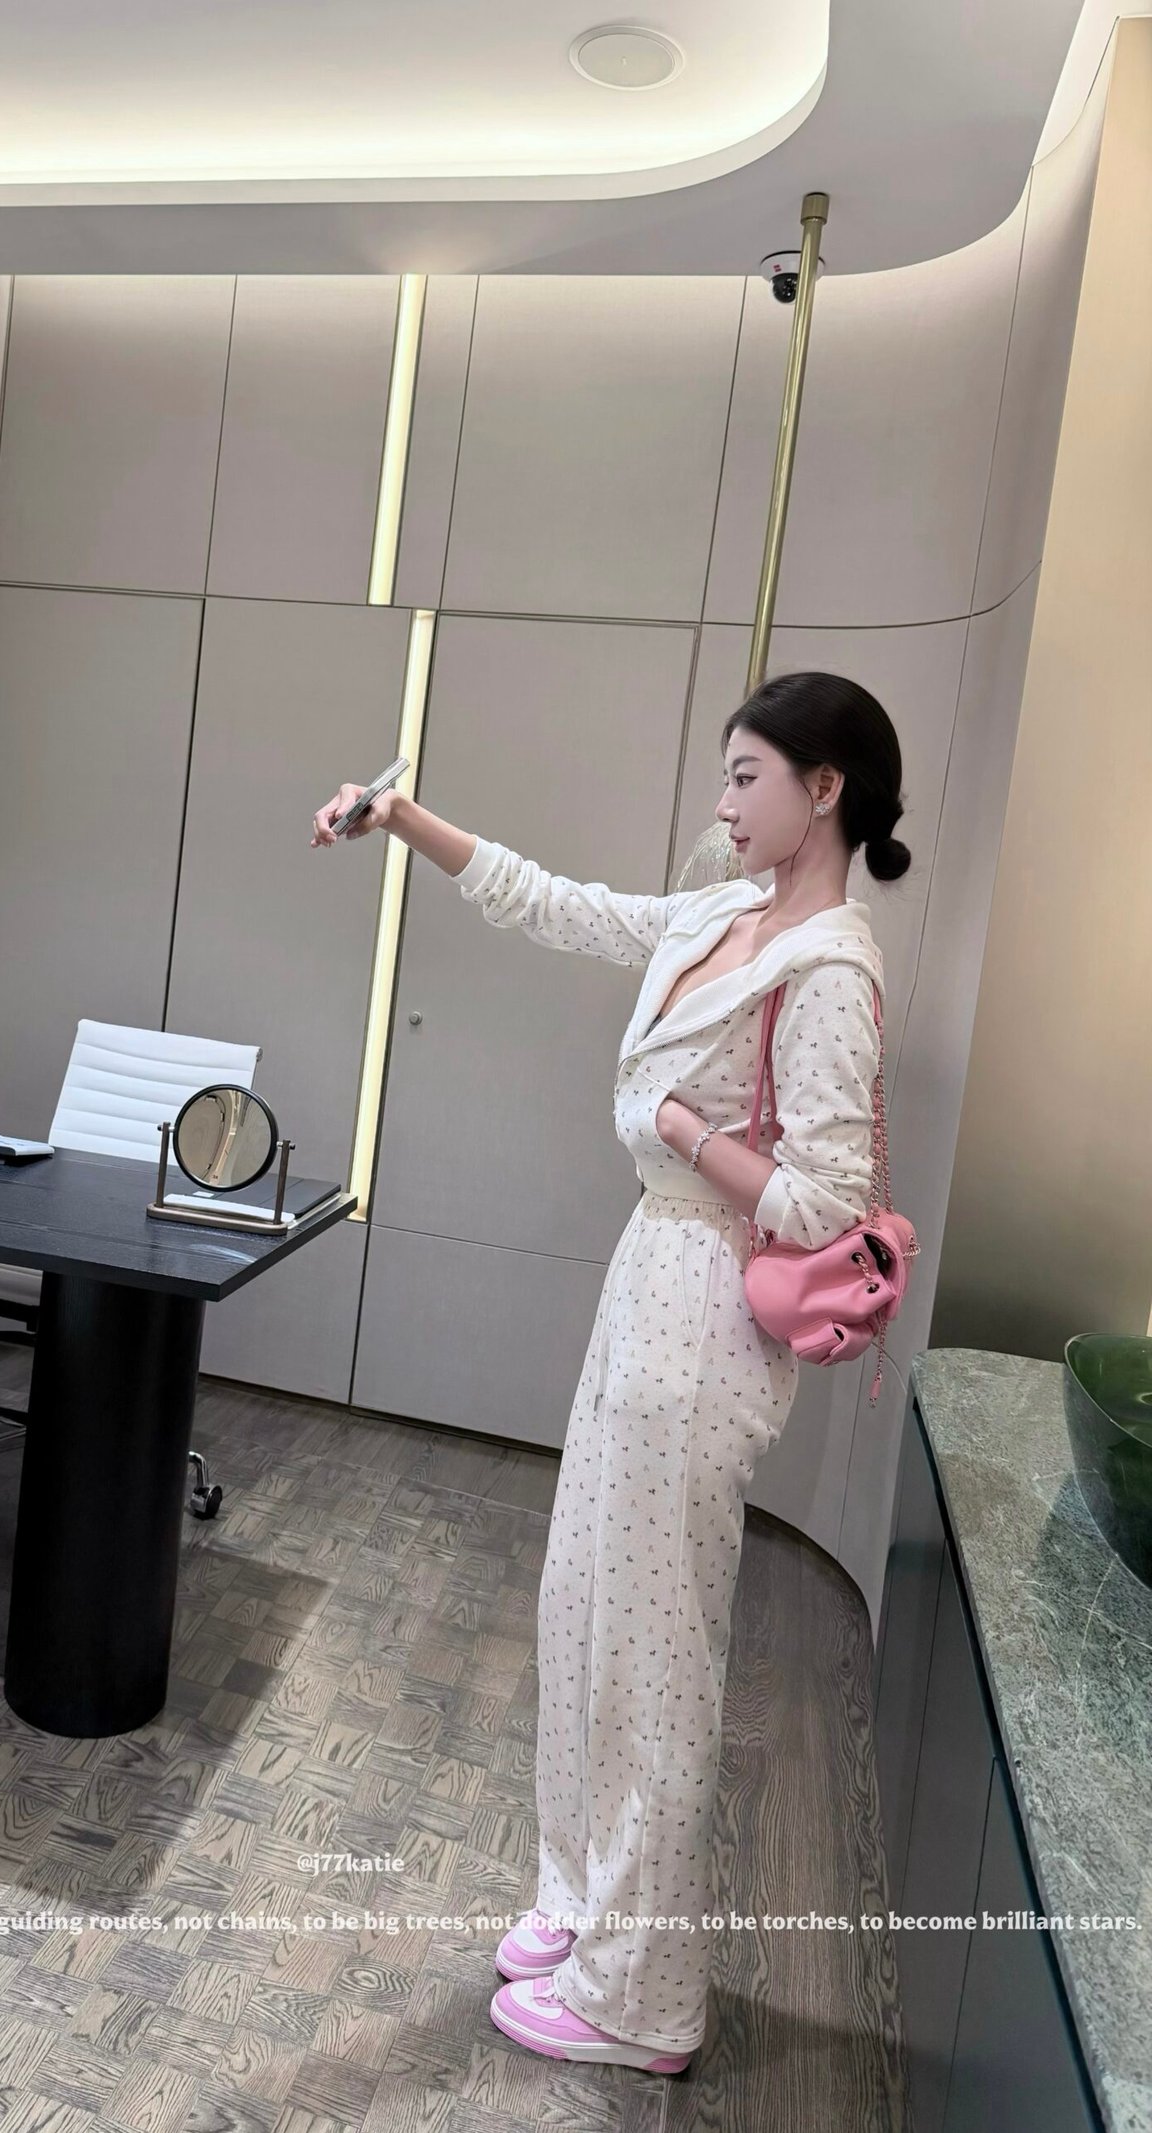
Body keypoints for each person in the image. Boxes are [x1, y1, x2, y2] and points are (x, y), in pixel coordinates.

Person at [311, 670, 910, 2073]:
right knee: (587, 1604)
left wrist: (687, 1129)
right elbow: (559, 904)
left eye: (748, 775)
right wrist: (404, 819)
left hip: (709, 1311)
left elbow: (827, 1201)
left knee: (655, 1651)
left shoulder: (830, 969)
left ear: (825, 790)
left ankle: (644, 1999)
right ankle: (584, 1897)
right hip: (651, 1276)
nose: (725, 800)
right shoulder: (727, 908)